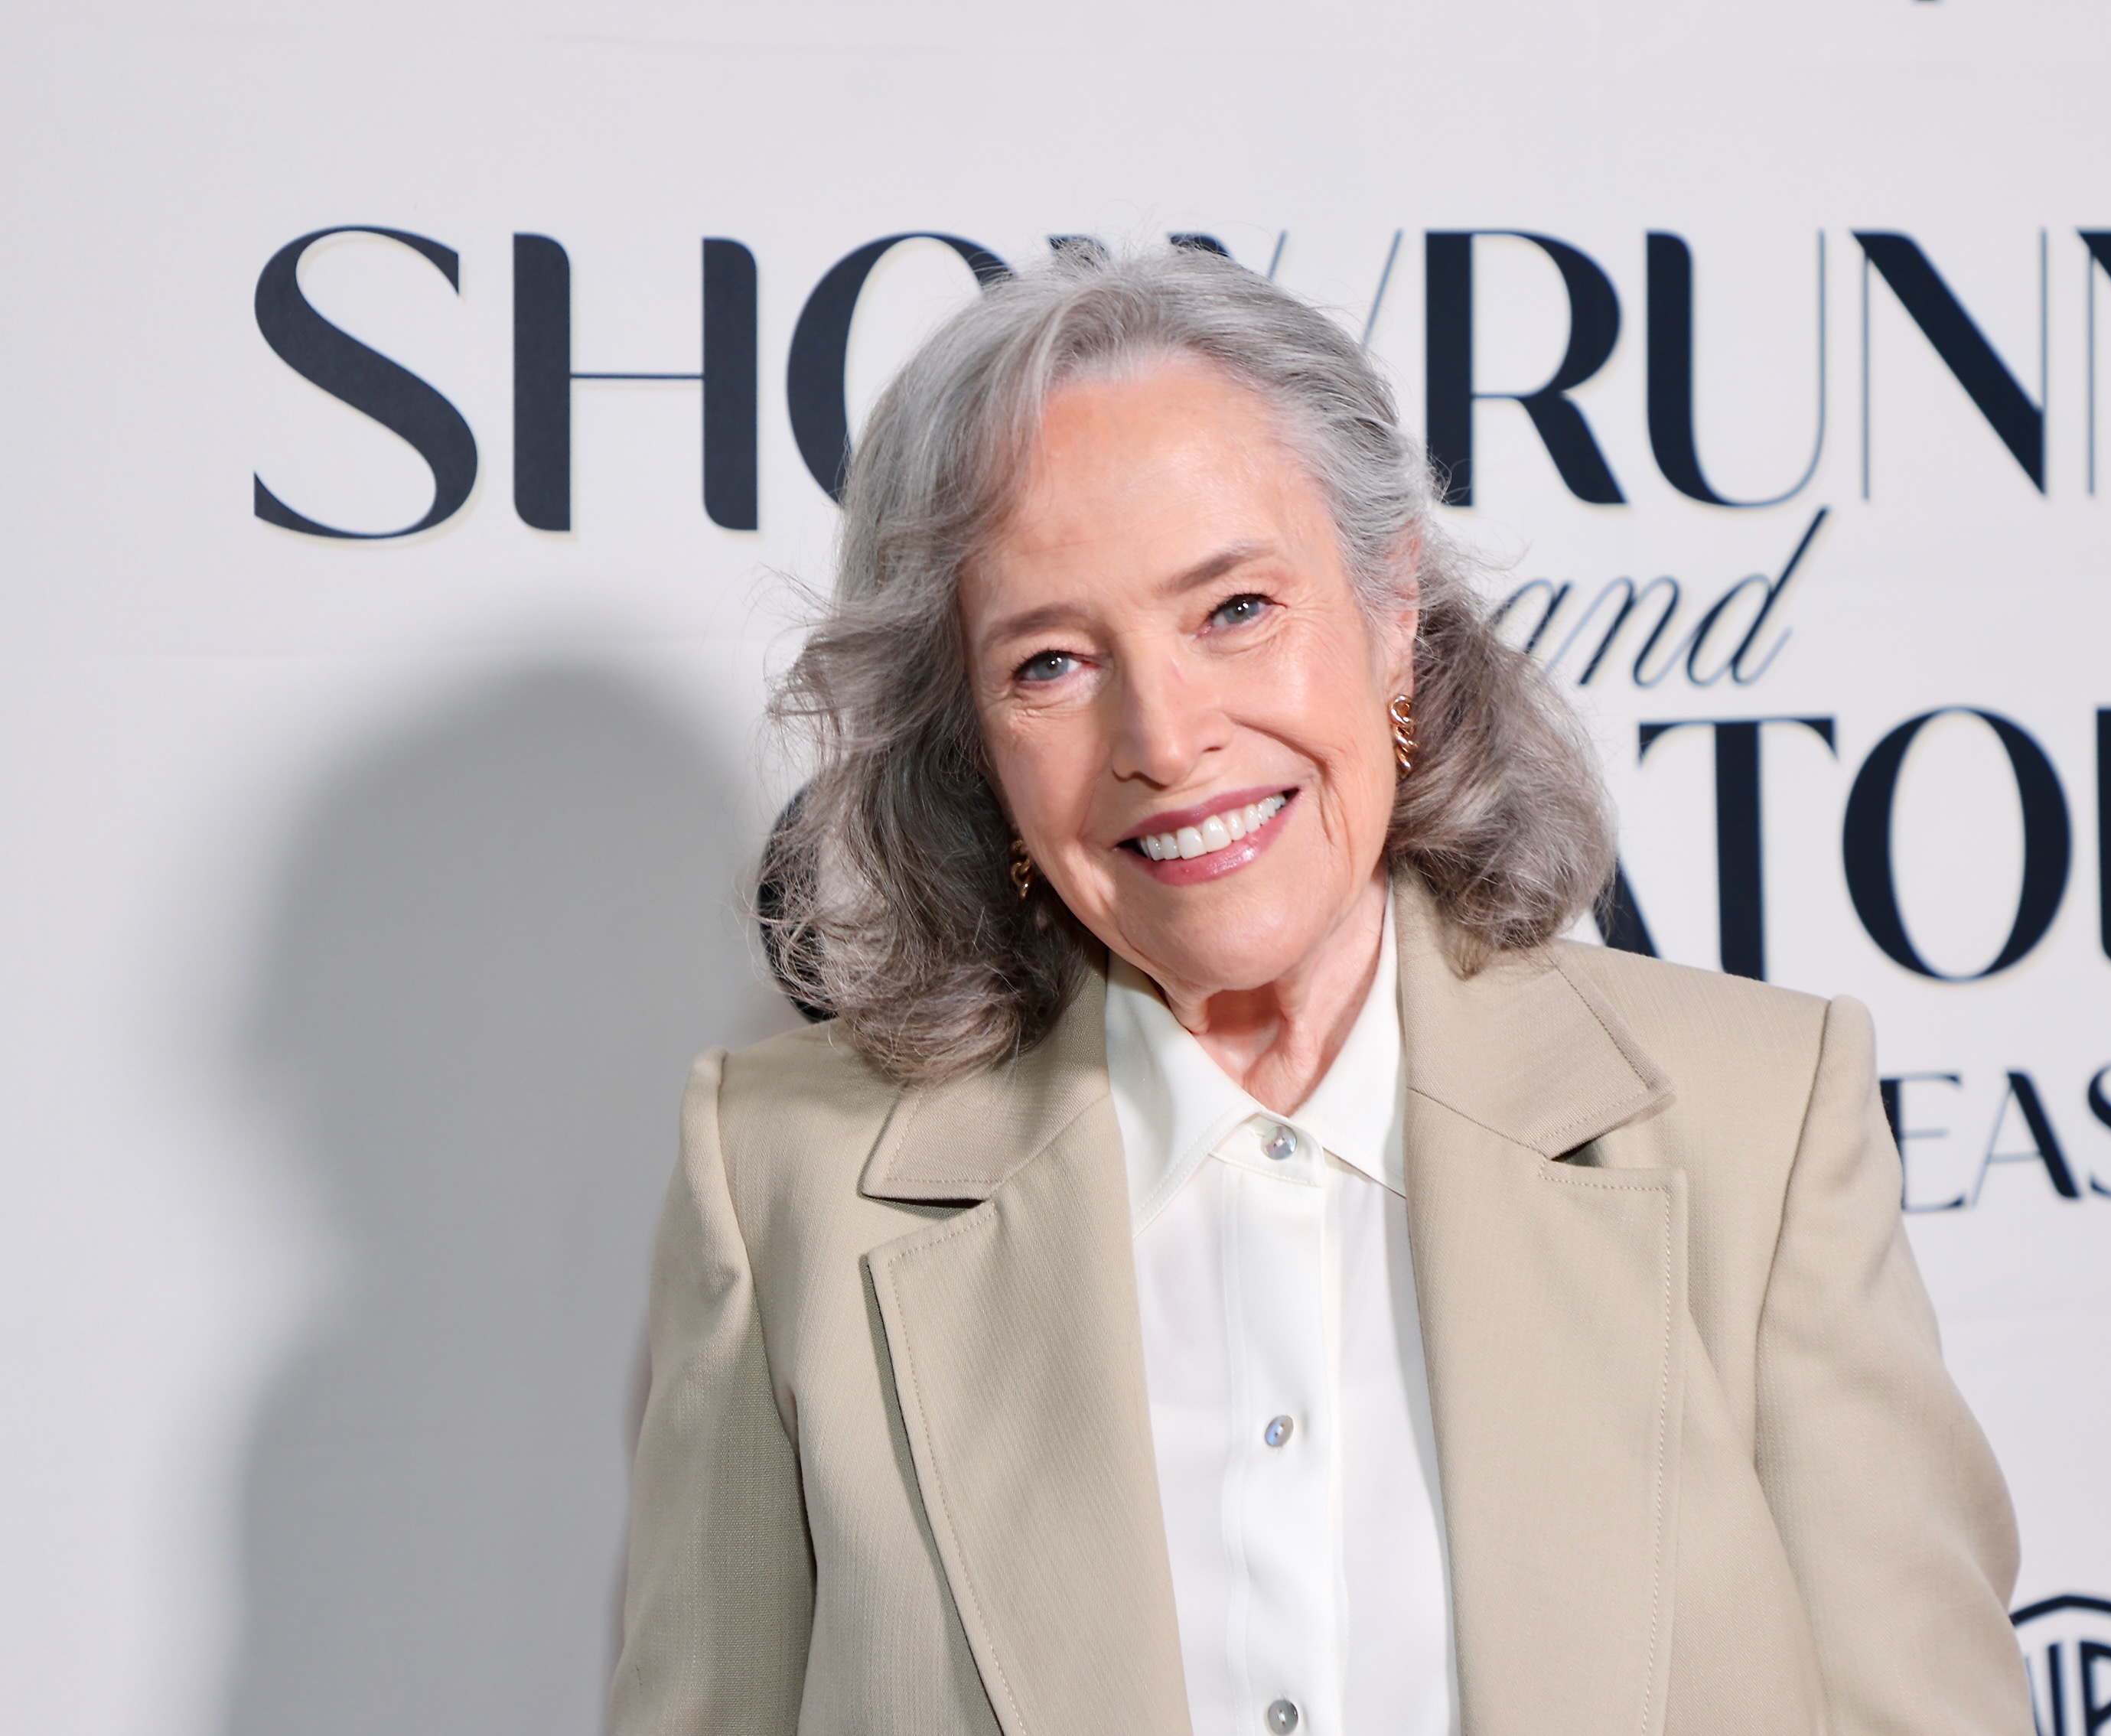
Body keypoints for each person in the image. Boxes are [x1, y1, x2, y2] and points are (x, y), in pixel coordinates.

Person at [611, 243, 2031, 1736]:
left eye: (1233, 610)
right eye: (1047, 662)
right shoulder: (787, 1184)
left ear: (1392, 612)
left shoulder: (1755, 1121)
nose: (1164, 735)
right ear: (970, 741)